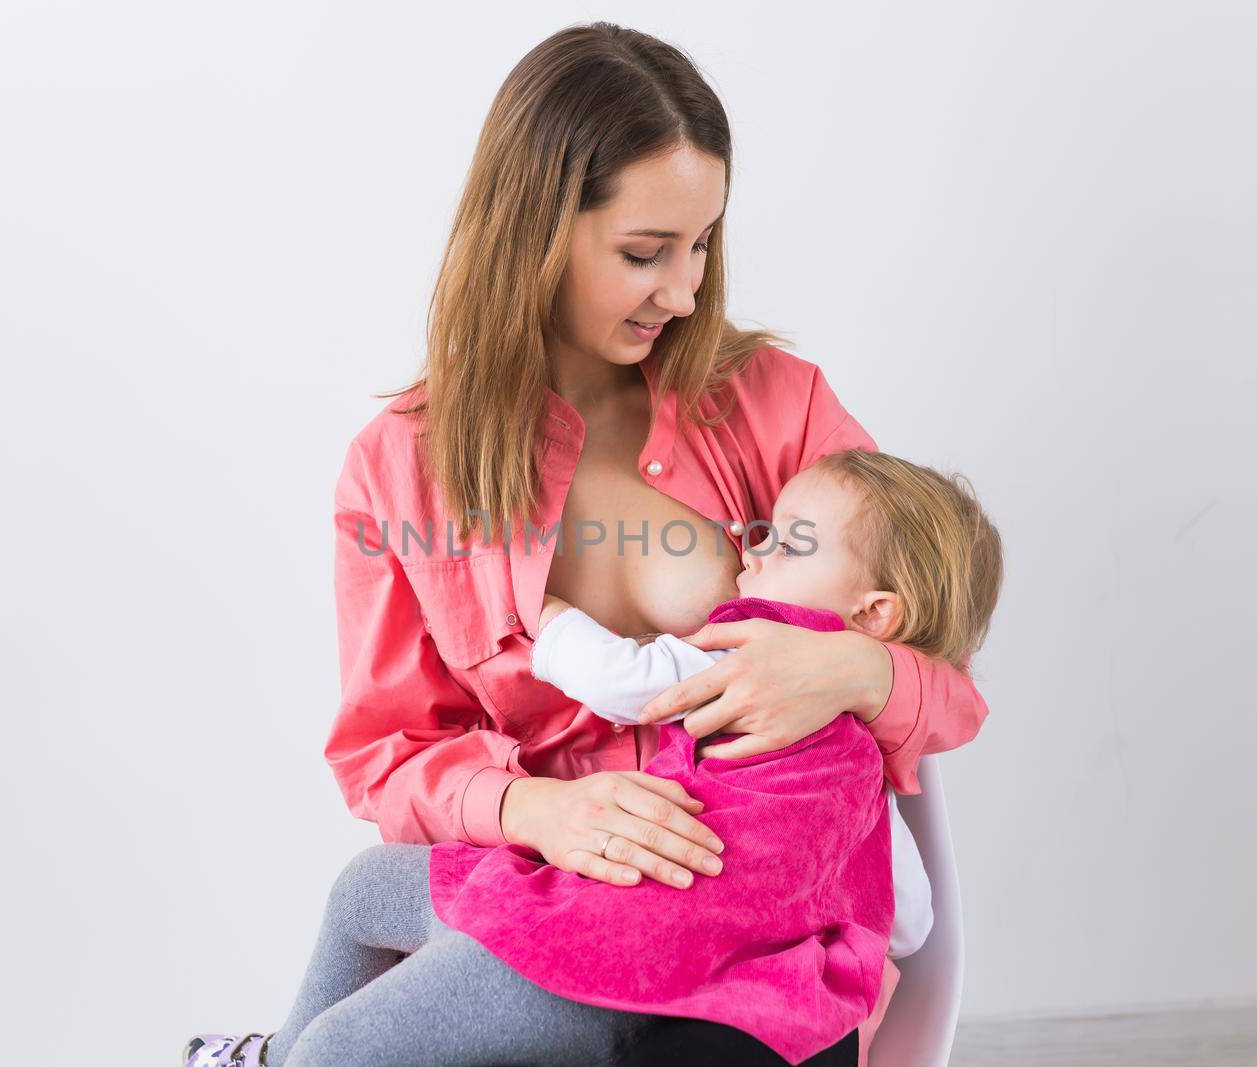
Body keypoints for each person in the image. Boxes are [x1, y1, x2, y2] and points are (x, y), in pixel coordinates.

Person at [184, 20, 991, 1067]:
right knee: (346, 1002)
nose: (688, 291)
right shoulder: (400, 470)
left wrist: (856, 666)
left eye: (703, 243)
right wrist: (539, 807)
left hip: (746, 949)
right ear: (535, 234)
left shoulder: (776, 410)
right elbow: (385, 754)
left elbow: (946, 669)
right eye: (645, 253)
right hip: (544, 891)